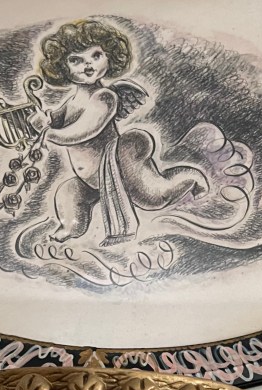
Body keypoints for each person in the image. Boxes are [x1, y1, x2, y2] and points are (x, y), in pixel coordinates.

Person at [28, 19, 207, 246]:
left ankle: (192, 177)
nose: (88, 64)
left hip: (117, 170)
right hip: (90, 179)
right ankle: (70, 228)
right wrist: (43, 121)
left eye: (96, 55)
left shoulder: (104, 98)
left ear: (109, 57)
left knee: (155, 196)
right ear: (62, 67)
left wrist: (51, 134)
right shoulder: (72, 101)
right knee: (68, 193)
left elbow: (84, 130)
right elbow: (56, 120)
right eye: (76, 60)